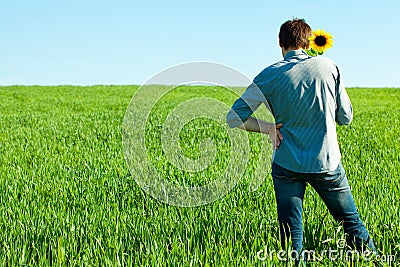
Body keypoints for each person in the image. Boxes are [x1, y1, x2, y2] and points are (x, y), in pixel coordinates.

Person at [226, 18, 375, 260]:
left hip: (286, 164)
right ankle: (373, 261)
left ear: (280, 43)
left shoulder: (268, 75)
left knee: (291, 237)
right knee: (351, 223)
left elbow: (234, 117)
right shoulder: (329, 67)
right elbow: (345, 117)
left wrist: (270, 127)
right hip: (326, 162)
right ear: (308, 42)